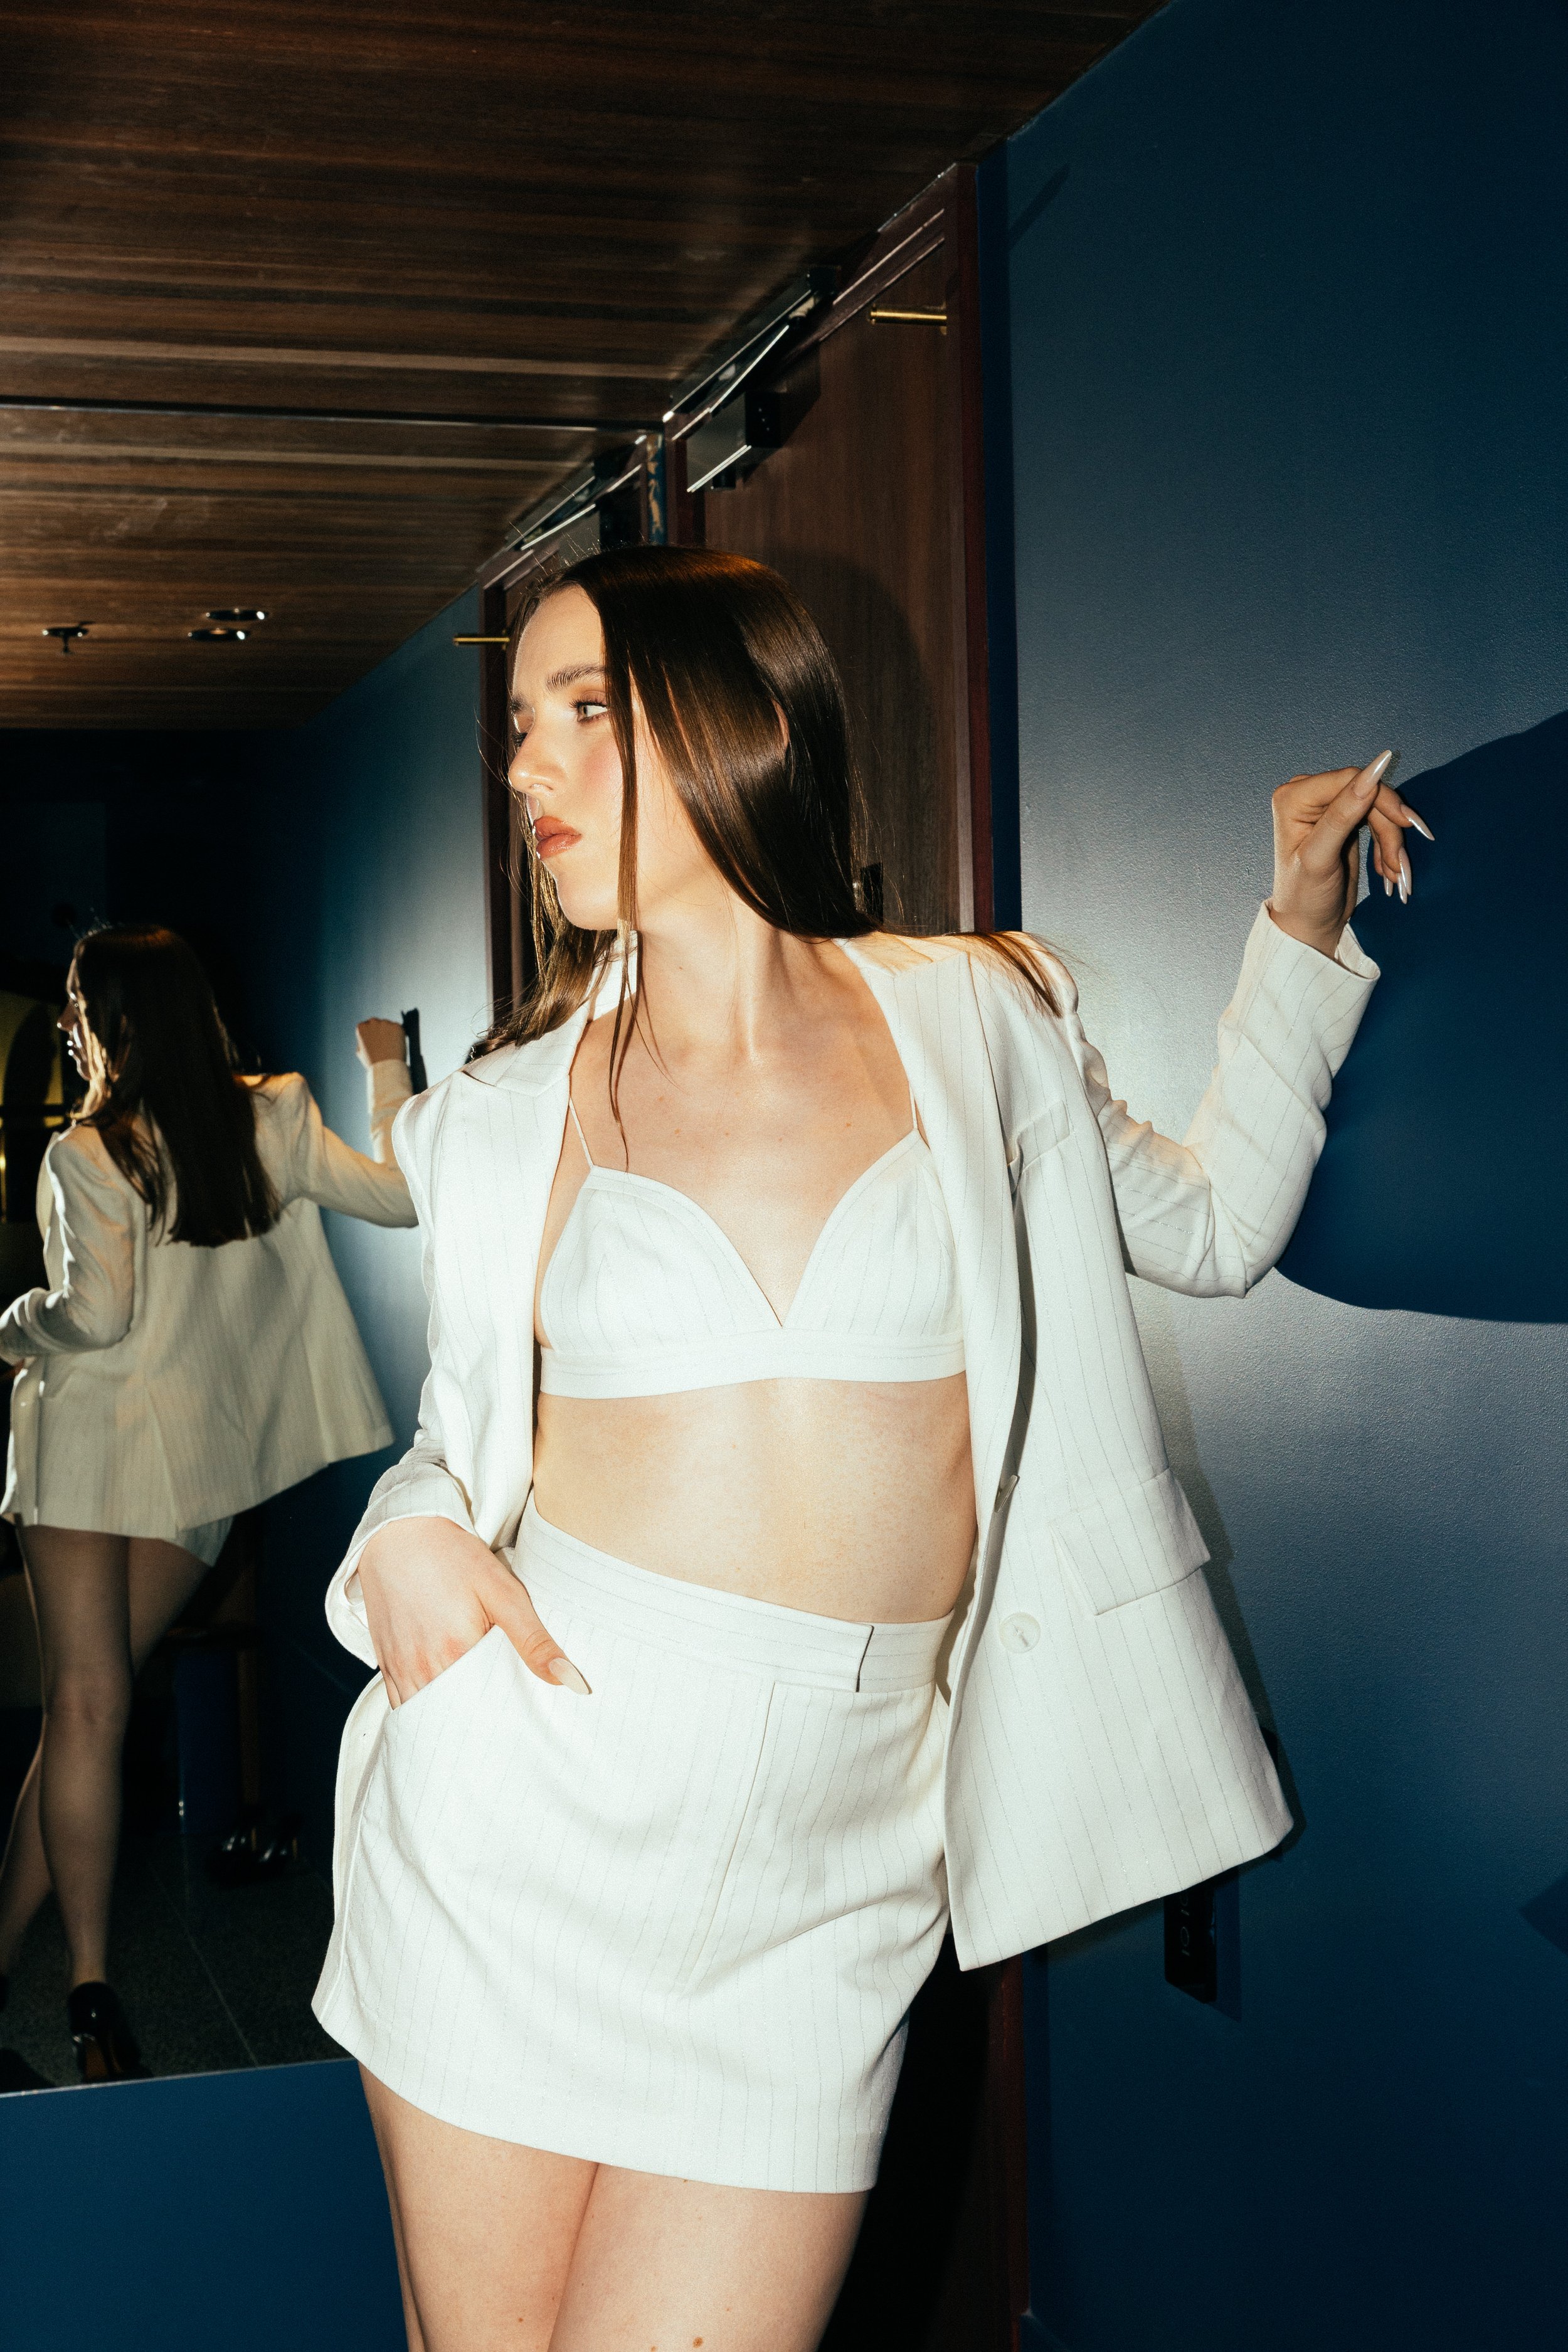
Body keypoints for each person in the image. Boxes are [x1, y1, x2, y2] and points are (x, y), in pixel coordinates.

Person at [312, 546, 1428, 2352]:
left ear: (740, 714)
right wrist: (405, 1542)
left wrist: (1294, 935)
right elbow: (450, 1451)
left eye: (584, 713)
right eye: (519, 727)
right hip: (526, 1820)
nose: (525, 768)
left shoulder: (977, 1016)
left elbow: (1213, 1227)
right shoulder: (505, 1110)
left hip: (830, 1880)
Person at [0, 924, 416, 2079]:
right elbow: (402, 1196)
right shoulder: (271, 1113)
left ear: (114, 1018)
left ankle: (89, 1984)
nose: (70, 1023)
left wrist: (9, 1324)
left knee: (82, 1711)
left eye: (79, 1003)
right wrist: (389, 1067)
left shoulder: (88, 1150)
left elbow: (94, 1316)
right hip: (194, 1476)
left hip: (87, 1449)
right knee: (87, 1715)